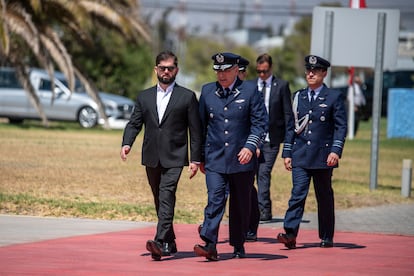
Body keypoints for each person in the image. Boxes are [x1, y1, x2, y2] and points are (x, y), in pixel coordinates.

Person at [120, 51, 202, 261]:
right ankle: (170, 241)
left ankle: (158, 242)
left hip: (175, 156)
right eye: (163, 68)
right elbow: (134, 123)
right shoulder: (144, 96)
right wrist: (127, 143)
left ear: (177, 70)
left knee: (166, 196)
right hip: (151, 156)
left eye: (170, 68)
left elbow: (196, 130)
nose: (166, 71)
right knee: (159, 198)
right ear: (156, 69)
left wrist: (195, 159)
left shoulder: (187, 97)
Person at [194, 52, 267, 260]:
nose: (221, 75)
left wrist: (250, 147)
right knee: (215, 198)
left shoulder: (251, 91)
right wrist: (199, 157)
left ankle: (238, 243)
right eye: (218, 70)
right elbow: (201, 127)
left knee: (240, 204)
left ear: (236, 70)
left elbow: (260, 124)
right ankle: (209, 243)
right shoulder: (208, 91)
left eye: (226, 70)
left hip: (241, 159)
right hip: (215, 158)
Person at [277, 55, 347, 249]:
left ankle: (326, 235)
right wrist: (287, 153)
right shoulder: (299, 96)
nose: (310, 74)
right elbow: (291, 126)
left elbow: (341, 127)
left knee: (324, 196)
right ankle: (290, 233)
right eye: (308, 70)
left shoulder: (334, 97)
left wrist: (336, 151)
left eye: (315, 71)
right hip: (300, 155)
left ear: (324, 73)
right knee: (297, 194)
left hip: (323, 157)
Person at [251, 53, 294, 226]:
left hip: (272, 139)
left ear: (271, 68)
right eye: (259, 71)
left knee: (263, 172)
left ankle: (264, 210)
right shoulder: (250, 86)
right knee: (248, 175)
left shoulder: (281, 86)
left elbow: (288, 115)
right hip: (253, 140)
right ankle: (249, 209)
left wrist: (288, 144)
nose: (262, 75)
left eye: (265, 71)